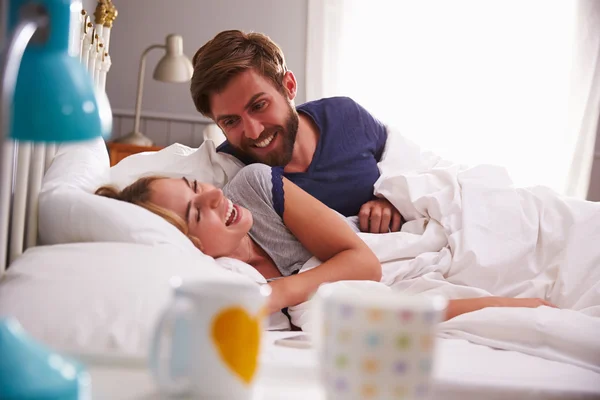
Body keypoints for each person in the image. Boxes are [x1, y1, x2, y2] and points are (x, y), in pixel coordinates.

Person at [95, 164, 556, 318]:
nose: (216, 194)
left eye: (196, 186)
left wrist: (280, 292)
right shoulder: (218, 277)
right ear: (189, 244)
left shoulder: (253, 186)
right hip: (387, 300)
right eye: (199, 211)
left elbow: (366, 263)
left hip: (396, 247)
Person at [189, 30, 402, 234]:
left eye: (259, 105)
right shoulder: (229, 172)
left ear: (289, 86)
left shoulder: (346, 115)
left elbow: (404, 163)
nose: (253, 132)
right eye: (231, 121)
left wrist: (392, 199)